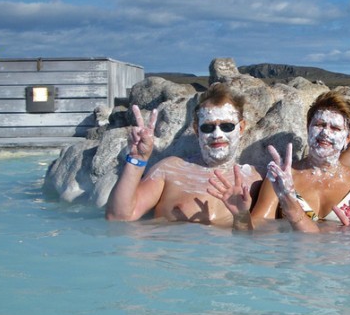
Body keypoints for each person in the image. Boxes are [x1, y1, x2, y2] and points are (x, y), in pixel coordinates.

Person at [209, 91, 350, 231]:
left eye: (335, 128)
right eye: (319, 125)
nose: (325, 133)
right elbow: (254, 234)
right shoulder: (281, 178)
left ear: (348, 137)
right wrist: (241, 216)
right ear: (308, 129)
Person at [105, 83, 262, 226]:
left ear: (241, 128)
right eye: (208, 127)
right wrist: (137, 159)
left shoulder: (255, 180)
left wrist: (241, 216)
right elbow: (118, 217)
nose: (217, 135)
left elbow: (253, 243)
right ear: (196, 130)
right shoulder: (170, 169)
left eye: (227, 126)